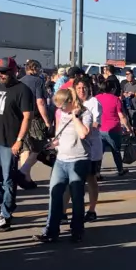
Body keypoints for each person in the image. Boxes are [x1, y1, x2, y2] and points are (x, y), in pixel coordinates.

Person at [32, 88, 94, 243]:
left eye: (62, 106)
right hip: (61, 160)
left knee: (77, 196)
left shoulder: (85, 114)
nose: (59, 109)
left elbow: (83, 133)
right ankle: (51, 231)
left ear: (71, 103)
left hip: (78, 160)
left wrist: (75, 116)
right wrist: (53, 144)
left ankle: (77, 229)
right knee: (55, 194)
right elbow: (59, 134)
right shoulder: (61, 113)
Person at [0, 58, 33, 233]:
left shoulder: (23, 90)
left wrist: (19, 140)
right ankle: (7, 203)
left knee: (8, 179)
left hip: (9, 143)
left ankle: (6, 215)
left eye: (5, 71)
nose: (2, 75)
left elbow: (27, 116)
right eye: (0, 71)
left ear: (14, 71)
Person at [14, 60, 51, 189]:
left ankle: (26, 179)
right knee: (38, 148)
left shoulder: (20, 81)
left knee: (26, 148)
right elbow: (40, 102)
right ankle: (22, 172)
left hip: (21, 117)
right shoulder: (38, 81)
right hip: (35, 118)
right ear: (35, 69)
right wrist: (47, 121)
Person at [73, 76, 103, 222]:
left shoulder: (93, 102)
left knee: (90, 179)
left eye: (84, 87)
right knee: (73, 180)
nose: (81, 90)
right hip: (75, 147)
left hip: (91, 147)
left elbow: (97, 123)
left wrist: (86, 130)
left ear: (89, 88)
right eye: (78, 88)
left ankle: (91, 210)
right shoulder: (73, 102)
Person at [95, 76, 135, 177]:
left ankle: (97, 172)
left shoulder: (96, 98)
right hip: (113, 129)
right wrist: (129, 129)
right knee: (116, 151)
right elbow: (122, 116)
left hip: (99, 129)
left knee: (99, 152)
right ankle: (120, 170)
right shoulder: (116, 100)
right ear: (113, 89)